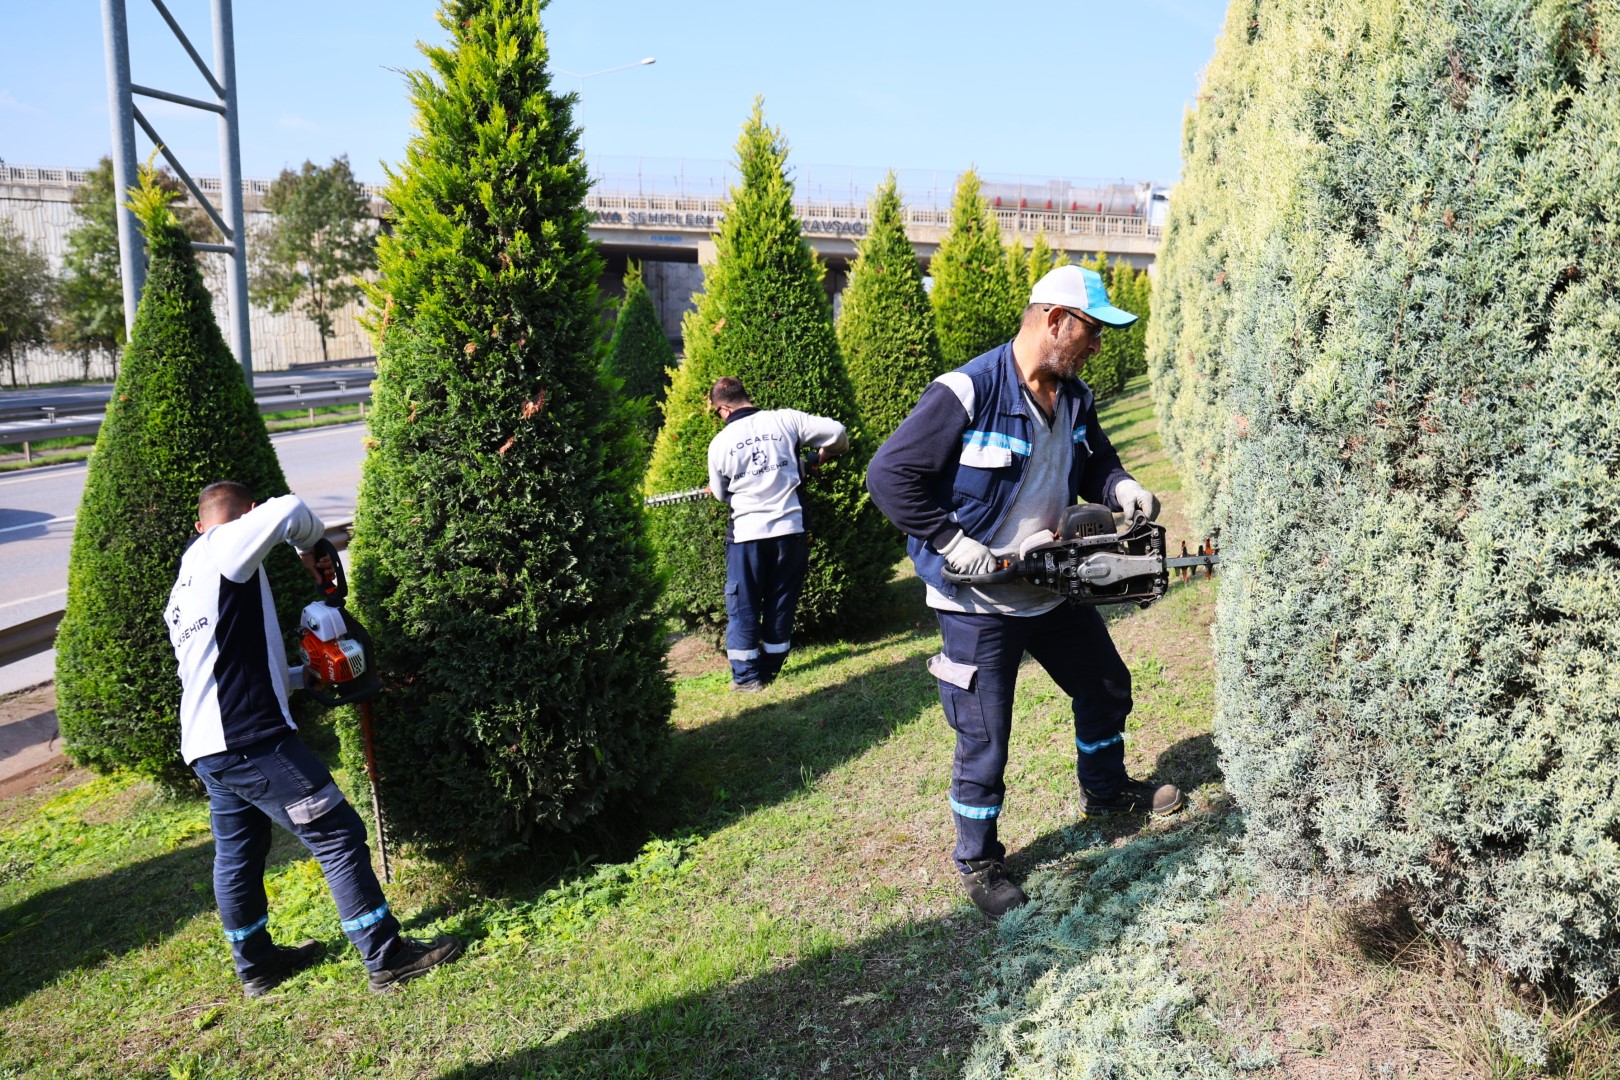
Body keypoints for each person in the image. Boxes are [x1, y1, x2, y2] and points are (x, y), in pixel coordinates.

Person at [867, 264, 1184, 920]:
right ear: (1053, 321)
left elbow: (1095, 458)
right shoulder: (967, 391)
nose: (1098, 345)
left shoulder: (1073, 397)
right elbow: (890, 474)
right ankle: (978, 859)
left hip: (1048, 582)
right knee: (985, 734)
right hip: (976, 600)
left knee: (1104, 684)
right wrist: (953, 542)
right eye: (1092, 332)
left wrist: (1121, 487)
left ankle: (1105, 793)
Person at [167, 481, 463, 997]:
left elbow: (231, 667)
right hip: (250, 739)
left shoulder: (185, 585)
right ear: (247, 516)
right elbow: (292, 510)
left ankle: (256, 965)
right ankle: (386, 955)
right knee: (337, 833)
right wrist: (310, 547)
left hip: (207, 745)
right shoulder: (224, 548)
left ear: (197, 525)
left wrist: (309, 675)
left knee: (239, 853)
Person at [706, 377, 849, 691]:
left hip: (747, 535)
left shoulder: (719, 443)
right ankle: (769, 673)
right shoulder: (785, 419)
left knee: (743, 606)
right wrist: (823, 455)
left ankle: (746, 680)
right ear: (747, 397)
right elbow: (837, 433)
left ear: (725, 409)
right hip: (790, 531)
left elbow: (719, 493)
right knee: (780, 602)